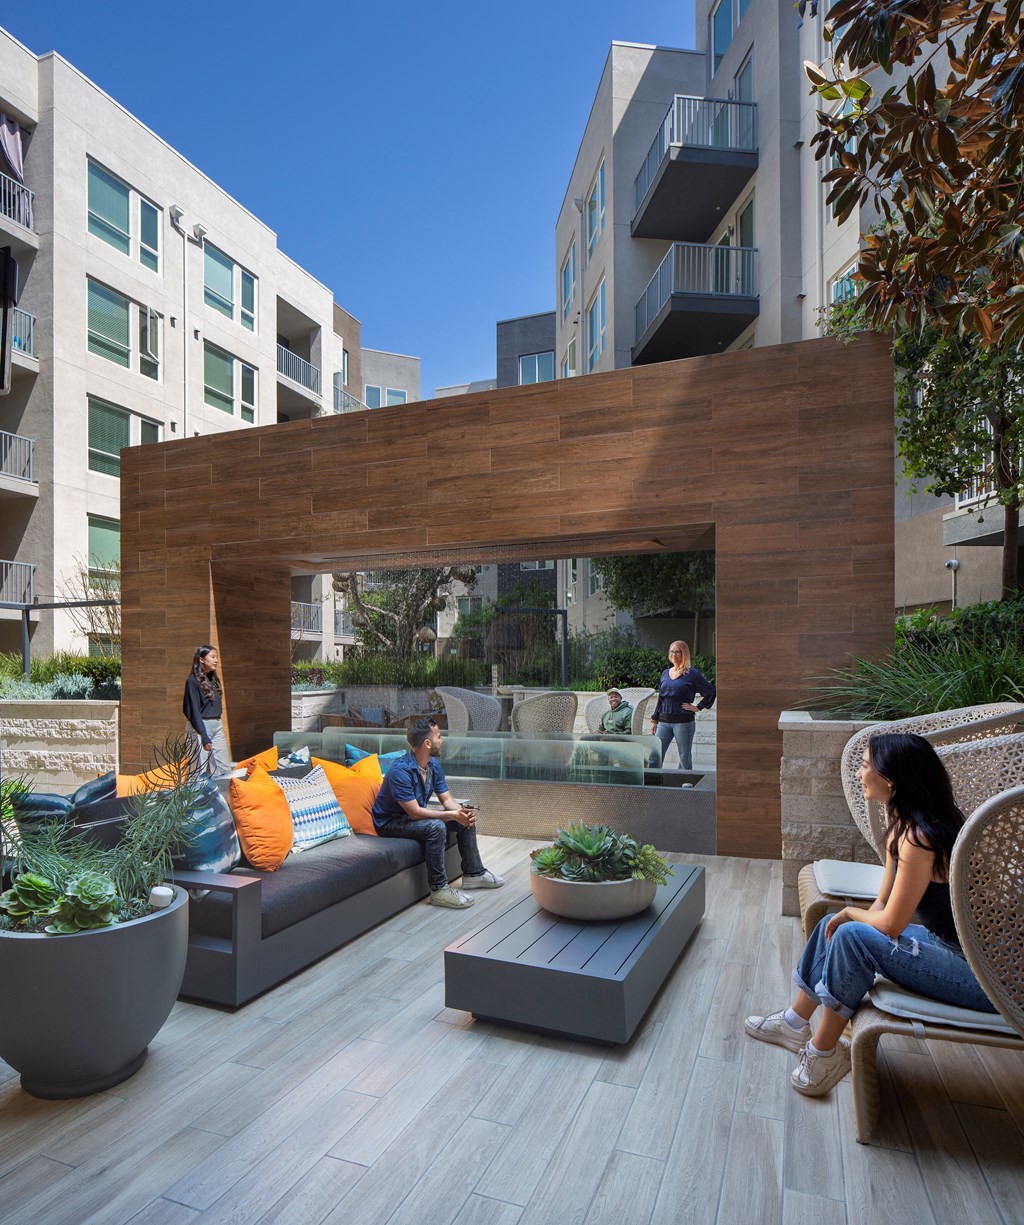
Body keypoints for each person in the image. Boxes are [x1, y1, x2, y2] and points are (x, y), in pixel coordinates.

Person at [744, 732, 997, 1096]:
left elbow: (893, 923)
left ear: (890, 780)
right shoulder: (903, 827)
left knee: (849, 931)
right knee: (837, 925)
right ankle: (793, 1022)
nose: (860, 773)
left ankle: (823, 1051)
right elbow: (880, 907)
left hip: (983, 977)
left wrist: (850, 914)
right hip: (954, 949)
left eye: (865, 766)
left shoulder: (921, 838)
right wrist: (848, 915)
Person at [371, 716, 506, 909]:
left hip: (410, 817)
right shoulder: (400, 771)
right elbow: (415, 813)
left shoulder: (433, 765)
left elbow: (446, 800)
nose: (442, 740)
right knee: (435, 827)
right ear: (427, 743)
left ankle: (474, 874)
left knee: (463, 818)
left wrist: (461, 813)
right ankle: (439, 890)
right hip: (390, 822)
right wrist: (450, 815)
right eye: (439, 736)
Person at [649, 641, 715, 770]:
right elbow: (661, 698)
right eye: (672, 651)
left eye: (677, 651)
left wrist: (698, 707)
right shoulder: (665, 673)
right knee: (655, 754)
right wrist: (654, 719)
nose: (674, 654)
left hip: (683, 722)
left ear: (683, 653)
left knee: (684, 756)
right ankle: (652, 782)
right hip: (663, 721)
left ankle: (685, 783)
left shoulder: (692, 674)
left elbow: (711, 690)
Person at [182, 645, 232, 778]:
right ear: (202, 660)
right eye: (213, 657)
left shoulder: (213, 679)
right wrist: (203, 735)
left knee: (223, 769)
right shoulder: (192, 682)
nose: (216, 660)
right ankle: (198, 798)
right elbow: (192, 711)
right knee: (198, 771)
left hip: (217, 726)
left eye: (217, 657)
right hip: (199, 727)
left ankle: (222, 797)